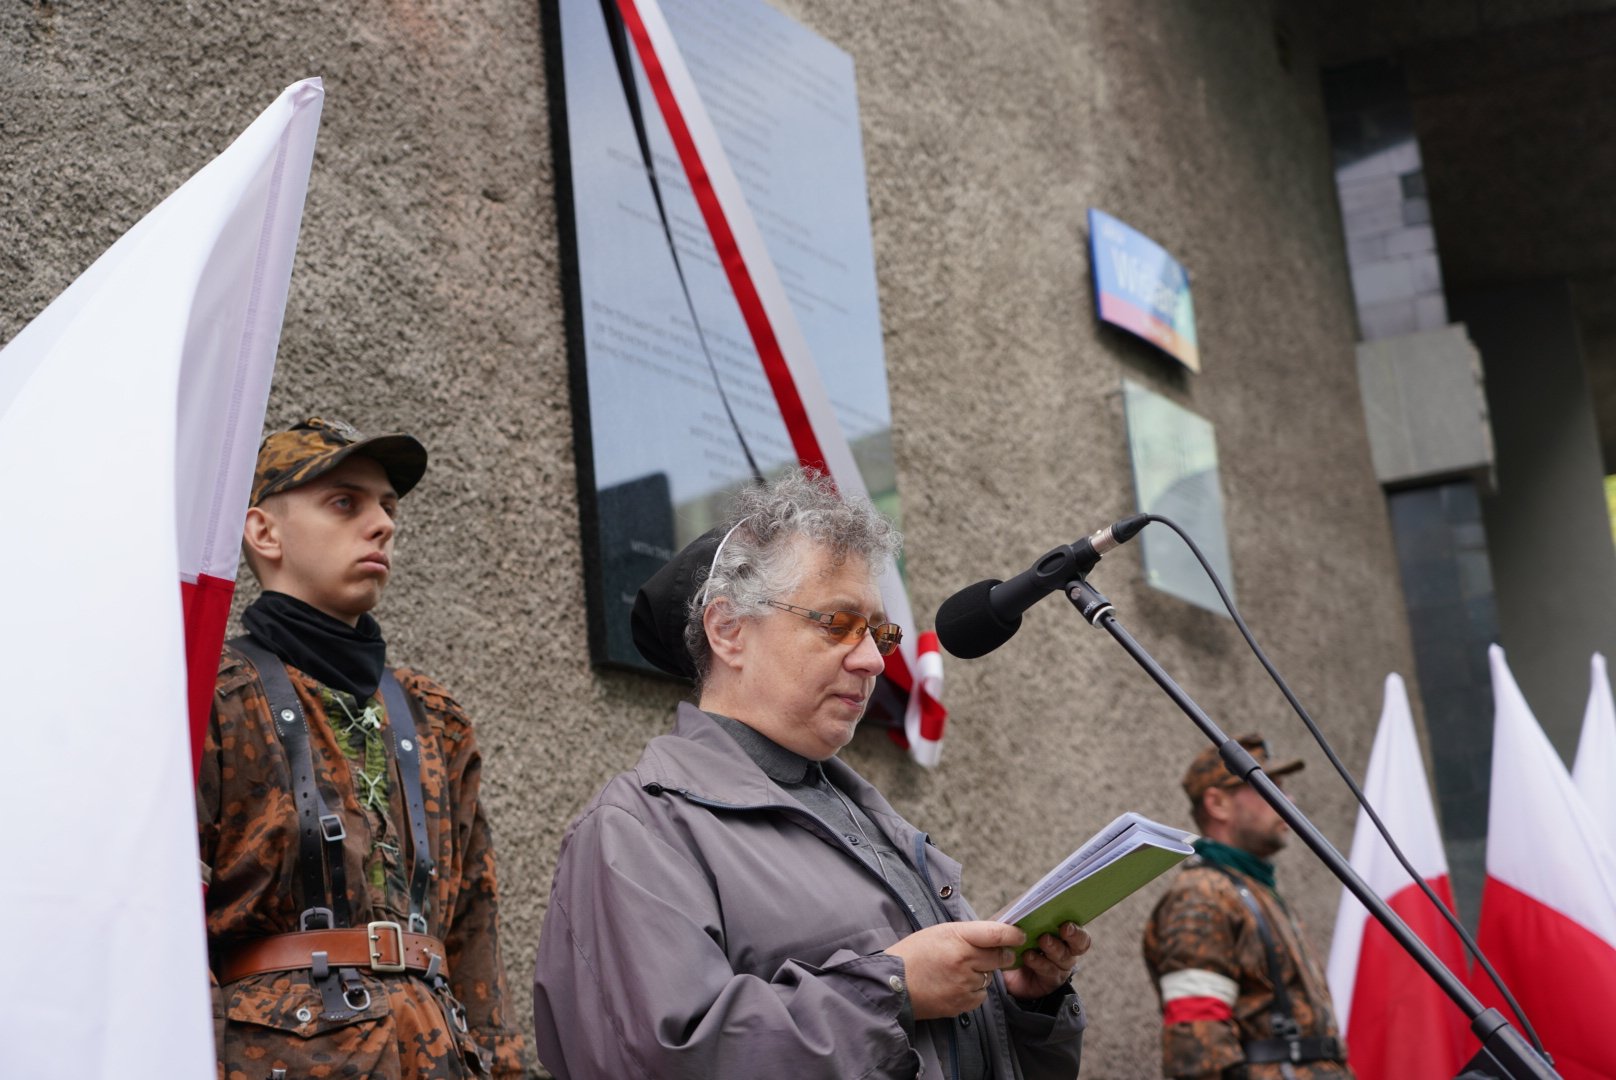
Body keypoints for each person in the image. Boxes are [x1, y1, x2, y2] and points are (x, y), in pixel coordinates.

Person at [532, 469, 1090, 1080]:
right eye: (837, 624)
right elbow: (658, 1061)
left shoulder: (872, 822)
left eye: (880, 631)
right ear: (729, 631)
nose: (874, 658)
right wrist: (891, 990)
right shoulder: (638, 829)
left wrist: (1024, 1001)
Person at [197, 416, 526, 1078]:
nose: (382, 524)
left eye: (388, 506)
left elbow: (473, 931)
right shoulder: (211, 696)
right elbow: (167, 926)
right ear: (264, 532)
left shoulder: (437, 720)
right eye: (345, 502)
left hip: (436, 1055)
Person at [1142, 734, 1353, 1079]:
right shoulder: (1203, 895)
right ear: (1218, 804)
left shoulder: (1255, 890)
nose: (1288, 800)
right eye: (1269, 787)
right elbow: (1196, 1052)